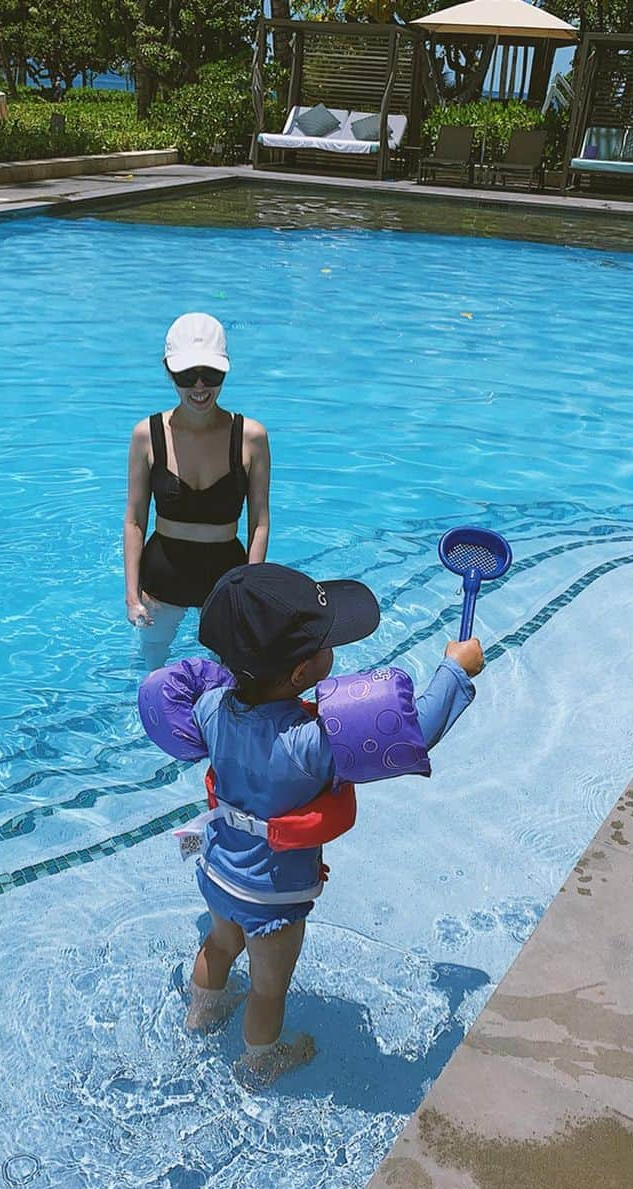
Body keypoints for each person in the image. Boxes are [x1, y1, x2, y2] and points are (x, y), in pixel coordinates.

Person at [183, 562, 486, 1085]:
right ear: (302, 674)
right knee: (268, 987)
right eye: (327, 643)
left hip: (217, 869)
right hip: (271, 896)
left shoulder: (210, 707)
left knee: (219, 943)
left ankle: (203, 1014)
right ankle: (260, 1061)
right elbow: (413, 730)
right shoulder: (310, 745)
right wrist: (454, 671)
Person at [123, 313, 271, 670]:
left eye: (212, 375)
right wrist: (131, 595)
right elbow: (134, 521)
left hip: (227, 576)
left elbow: (260, 522)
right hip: (162, 577)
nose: (200, 387)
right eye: (187, 376)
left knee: (231, 671)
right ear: (168, 371)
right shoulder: (148, 434)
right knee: (153, 663)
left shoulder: (251, 437)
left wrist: (249, 590)